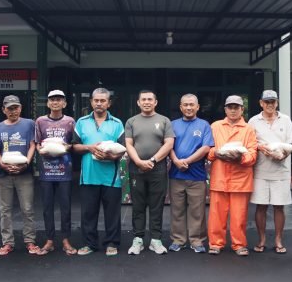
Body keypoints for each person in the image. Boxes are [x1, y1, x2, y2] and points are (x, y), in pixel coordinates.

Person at [72, 88, 126, 256]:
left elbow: (123, 149)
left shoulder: (117, 123)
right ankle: (90, 244)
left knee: (112, 214)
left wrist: (110, 156)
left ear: (109, 103)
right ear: (91, 102)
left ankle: (112, 243)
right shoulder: (81, 122)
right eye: (96, 100)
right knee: (88, 213)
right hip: (88, 176)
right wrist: (89, 148)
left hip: (111, 178)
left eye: (103, 101)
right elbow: (74, 146)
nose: (99, 103)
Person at [0, 95, 43, 257]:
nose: (13, 111)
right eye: (10, 108)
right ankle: (7, 242)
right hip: (3, 173)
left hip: (24, 173)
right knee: (5, 209)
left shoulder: (29, 124)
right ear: (3, 110)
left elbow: (32, 145)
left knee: (27, 208)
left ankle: (30, 240)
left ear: (20, 108)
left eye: (16, 108)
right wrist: (2, 164)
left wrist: (26, 163)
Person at [125, 90, 175, 255]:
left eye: (150, 99)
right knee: (138, 205)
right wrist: (139, 162)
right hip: (136, 168)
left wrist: (153, 160)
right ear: (138, 102)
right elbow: (129, 144)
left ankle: (156, 240)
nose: (146, 102)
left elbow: (169, 143)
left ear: (155, 102)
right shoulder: (131, 121)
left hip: (158, 168)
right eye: (144, 99)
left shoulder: (164, 120)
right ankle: (138, 239)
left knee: (156, 205)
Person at [207, 95, 258, 256]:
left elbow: (252, 154)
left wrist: (240, 158)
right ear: (225, 109)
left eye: (237, 107)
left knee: (239, 216)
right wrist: (215, 153)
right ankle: (215, 244)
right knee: (216, 214)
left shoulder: (248, 129)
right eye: (230, 107)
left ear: (242, 109)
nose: (233, 110)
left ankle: (239, 244)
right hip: (219, 177)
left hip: (240, 179)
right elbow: (207, 149)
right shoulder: (215, 126)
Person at [248, 90, 292, 254]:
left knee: (279, 207)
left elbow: (290, 144)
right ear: (261, 103)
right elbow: (249, 142)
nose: (270, 105)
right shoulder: (253, 121)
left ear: (277, 103)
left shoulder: (285, 120)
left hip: (281, 171)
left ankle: (278, 240)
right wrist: (260, 147)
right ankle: (261, 239)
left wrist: (282, 155)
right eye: (266, 102)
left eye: (272, 102)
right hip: (260, 170)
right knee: (260, 206)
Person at [168, 93, 214, 253]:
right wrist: (176, 161)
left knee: (197, 211)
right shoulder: (172, 124)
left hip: (197, 175)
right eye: (185, 105)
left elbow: (206, 148)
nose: (188, 107)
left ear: (197, 107)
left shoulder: (204, 125)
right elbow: (168, 145)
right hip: (176, 175)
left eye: (191, 104)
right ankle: (178, 240)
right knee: (177, 210)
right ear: (180, 107)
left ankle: (196, 241)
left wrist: (186, 161)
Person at [35, 89, 76, 255]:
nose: (55, 102)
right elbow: (37, 143)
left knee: (66, 206)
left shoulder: (70, 121)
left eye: (59, 99)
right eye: (52, 99)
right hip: (46, 170)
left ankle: (66, 239)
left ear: (64, 103)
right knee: (47, 207)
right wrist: (40, 150)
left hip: (64, 169)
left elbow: (73, 143)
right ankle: (49, 240)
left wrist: (67, 147)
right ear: (48, 103)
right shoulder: (40, 121)